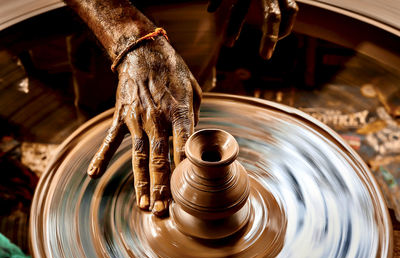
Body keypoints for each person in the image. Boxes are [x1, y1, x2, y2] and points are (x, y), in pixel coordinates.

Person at [65, 0, 298, 216]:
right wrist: (128, 34)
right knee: (113, 140)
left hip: (201, 13)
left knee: (185, 111)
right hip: (111, 19)